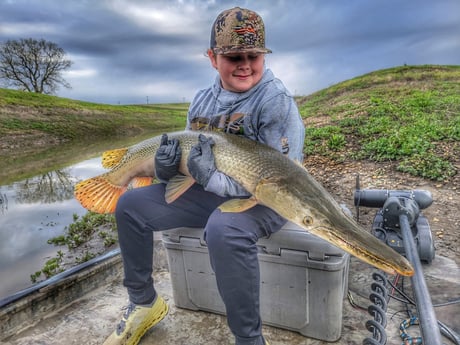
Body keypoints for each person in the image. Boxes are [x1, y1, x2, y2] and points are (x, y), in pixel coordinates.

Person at [103, 7, 305, 345]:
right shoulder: (201, 101)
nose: (244, 64)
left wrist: (211, 179)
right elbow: (187, 162)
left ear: (263, 56)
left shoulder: (275, 101)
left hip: (268, 196)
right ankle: (143, 303)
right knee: (131, 205)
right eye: (233, 56)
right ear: (213, 58)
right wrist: (167, 170)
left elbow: (279, 179)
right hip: (211, 189)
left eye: (253, 56)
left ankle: (249, 339)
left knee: (224, 228)